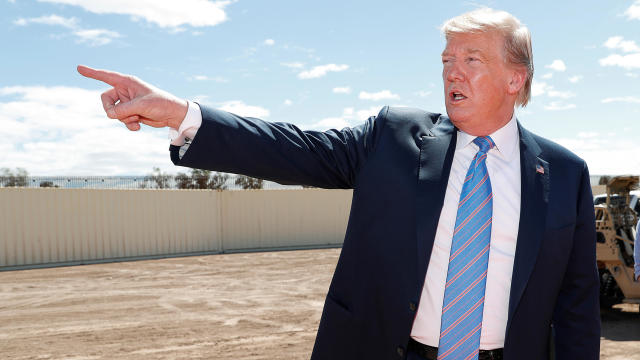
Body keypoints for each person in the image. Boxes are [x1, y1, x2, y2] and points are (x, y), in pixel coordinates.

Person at [78, 8, 600, 360]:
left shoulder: (565, 172)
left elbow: (576, 304)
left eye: (471, 60)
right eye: (446, 61)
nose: (452, 74)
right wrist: (179, 113)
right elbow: (294, 147)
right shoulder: (396, 137)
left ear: (516, 79)